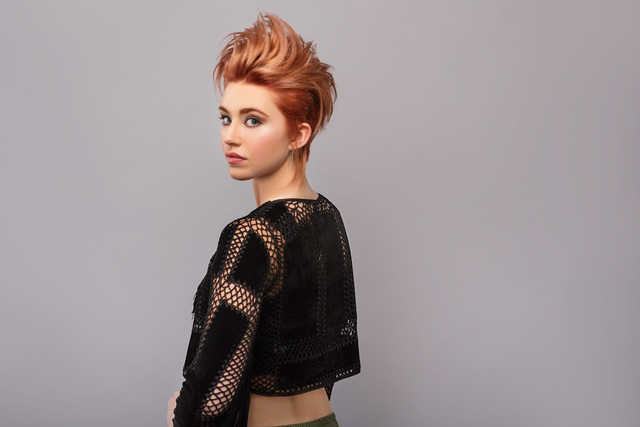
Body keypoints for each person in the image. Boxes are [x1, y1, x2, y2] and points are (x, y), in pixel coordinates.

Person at [167, 12, 360, 427]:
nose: (230, 135)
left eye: (253, 120)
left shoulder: (253, 235)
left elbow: (211, 401)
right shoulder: (327, 216)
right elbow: (317, 360)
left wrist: (176, 416)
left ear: (299, 134)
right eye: (226, 117)